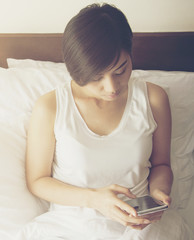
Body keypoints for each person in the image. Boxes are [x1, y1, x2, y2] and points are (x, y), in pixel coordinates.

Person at [17, 3, 193, 240]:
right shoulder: (51, 107)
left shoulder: (153, 99)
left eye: (120, 70)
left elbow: (161, 164)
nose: (111, 88)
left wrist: (158, 194)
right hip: (71, 226)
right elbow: (38, 181)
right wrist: (94, 199)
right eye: (96, 77)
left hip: (140, 225)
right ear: (76, 71)